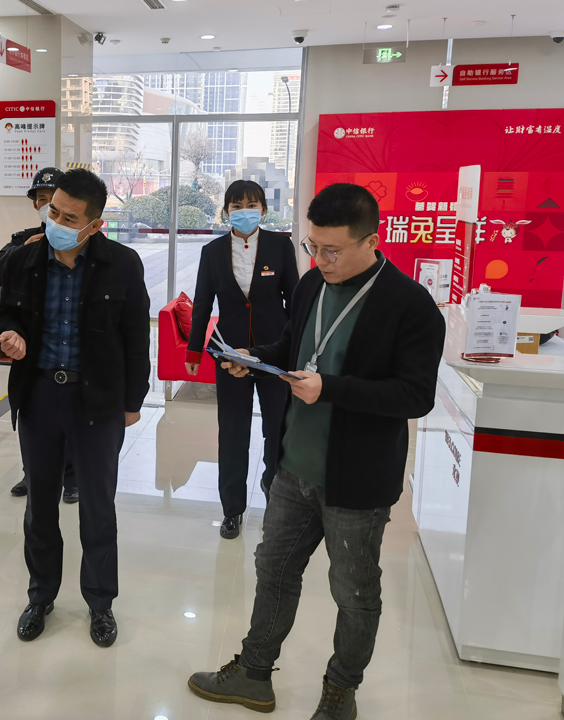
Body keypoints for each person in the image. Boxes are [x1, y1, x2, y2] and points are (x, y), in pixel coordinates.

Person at [188, 183, 446, 720]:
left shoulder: (409, 305)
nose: (321, 259)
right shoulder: (311, 284)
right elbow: (292, 346)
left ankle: (340, 692)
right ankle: (254, 672)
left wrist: (331, 388)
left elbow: (416, 395)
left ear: (371, 241)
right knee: (274, 570)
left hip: (356, 480)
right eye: (313, 246)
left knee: (354, 591)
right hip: (293, 466)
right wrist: (254, 358)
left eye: (333, 250)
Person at [0, 168, 150, 648]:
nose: (56, 223)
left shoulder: (122, 264)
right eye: (53, 211)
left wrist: (133, 401)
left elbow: (136, 337)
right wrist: (8, 333)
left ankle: (100, 602)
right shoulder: (27, 257)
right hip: (39, 395)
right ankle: (40, 596)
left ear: (94, 224)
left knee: (98, 508)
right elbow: (6, 310)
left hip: (96, 400)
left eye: (69, 218)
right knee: (40, 506)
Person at [185, 180, 298, 540]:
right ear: (226, 211)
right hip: (230, 354)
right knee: (233, 431)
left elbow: (295, 301)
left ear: (263, 210)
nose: (244, 211)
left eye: (251, 205)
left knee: (277, 429)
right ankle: (231, 509)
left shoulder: (280, 246)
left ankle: (275, 496)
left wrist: (297, 349)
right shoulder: (213, 251)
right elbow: (203, 303)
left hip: (275, 351)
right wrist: (193, 350)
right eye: (236, 206)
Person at [0, 166, 79, 503]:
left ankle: (71, 479)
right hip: (32, 351)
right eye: (41, 199)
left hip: (71, 353)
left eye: (52, 198)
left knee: (72, 420)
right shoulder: (22, 239)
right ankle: (31, 473)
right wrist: (24, 249)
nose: (46, 205)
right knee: (33, 421)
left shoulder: (82, 242)